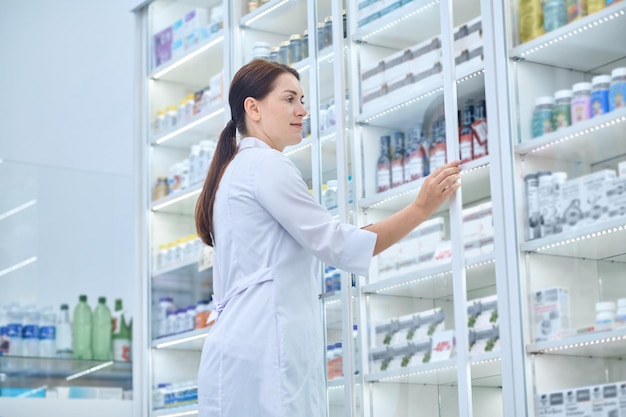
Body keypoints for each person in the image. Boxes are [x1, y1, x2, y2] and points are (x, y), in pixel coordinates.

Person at [195, 59, 461, 417]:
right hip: (264, 353)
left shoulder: (235, 169)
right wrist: (420, 209)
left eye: (302, 100)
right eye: (289, 99)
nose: (302, 110)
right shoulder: (266, 165)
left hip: (242, 351)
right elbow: (338, 244)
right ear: (253, 108)